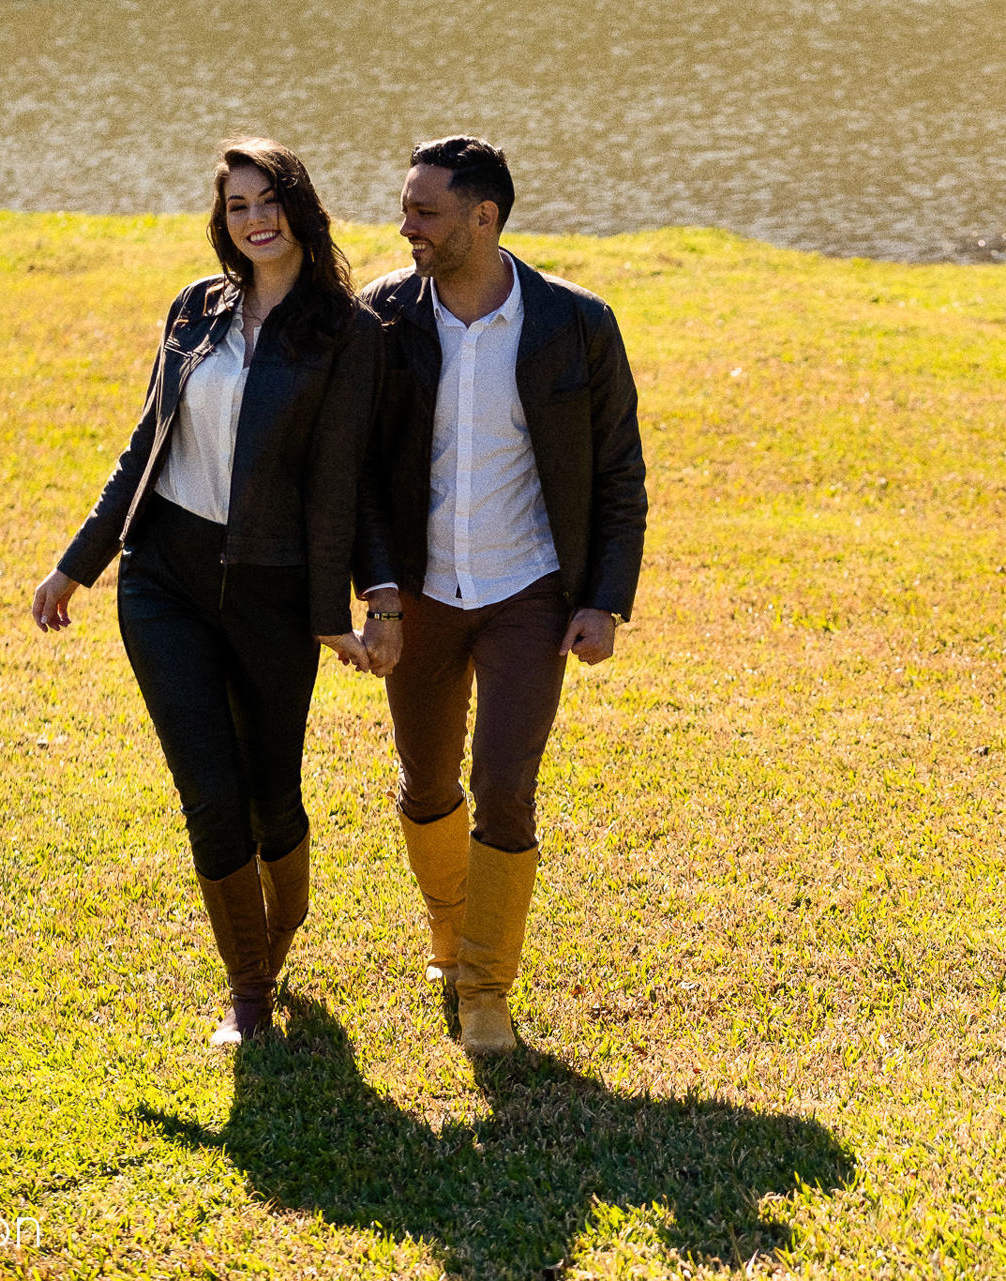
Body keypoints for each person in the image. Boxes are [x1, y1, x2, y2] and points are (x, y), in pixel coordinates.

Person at [31, 139, 391, 1045]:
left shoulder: (348, 335)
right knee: (210, 792)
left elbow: (341, 482)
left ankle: (280, 934)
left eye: (267, 200)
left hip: (270, 590)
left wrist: (331, 616)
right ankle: (250, 995)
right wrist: (80, 562)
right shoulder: (197, 310)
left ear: (299, 208)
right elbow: (144, 446)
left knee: (273, 793)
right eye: (236, 206)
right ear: (222, 220)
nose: (253, 219)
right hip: (165, 581)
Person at [357, 135, 647, 1055]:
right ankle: (449, 929)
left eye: (426, 212)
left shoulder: (577, 324)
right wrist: (383, 591)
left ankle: (486, 986)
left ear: (484, 218)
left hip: (529, 591)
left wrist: (603, 597)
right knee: (427, 782)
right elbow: (355, 473)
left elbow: (618, 473)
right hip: (423, 595)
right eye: (406, 208)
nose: (408, 227)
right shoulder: (383, 319)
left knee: (506, 788)